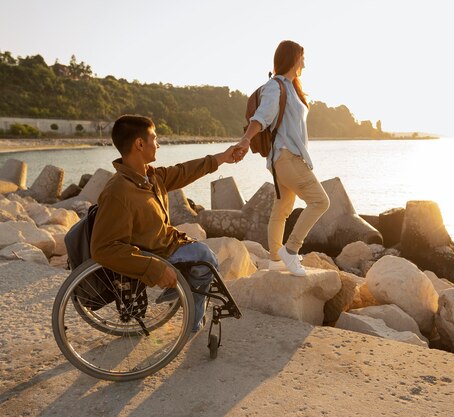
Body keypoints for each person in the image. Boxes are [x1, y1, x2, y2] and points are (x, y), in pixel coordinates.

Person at [90, 114, 239, 331]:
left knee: (202, 256)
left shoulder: (149, 177)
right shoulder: (118, 192)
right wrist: (154, 268)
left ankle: (184, 289)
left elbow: (185, 171)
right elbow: (103, 249)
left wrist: (223, 157)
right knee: (206, 259)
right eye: (154, 138)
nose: (158, 144)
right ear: (140, 144)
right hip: (155, 254)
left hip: (166, 245)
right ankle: (193, 322)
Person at [236, 40, 330, 277]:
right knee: (320, 201)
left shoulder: (290, 87)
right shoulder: (276, 86)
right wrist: (246, 140)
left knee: (282, 208)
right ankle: (291, 249)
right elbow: (262, 117)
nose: (304, 64)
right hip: (287, 157)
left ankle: (276, 259)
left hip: (284, 158)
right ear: (293, 58)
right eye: (302, 58)